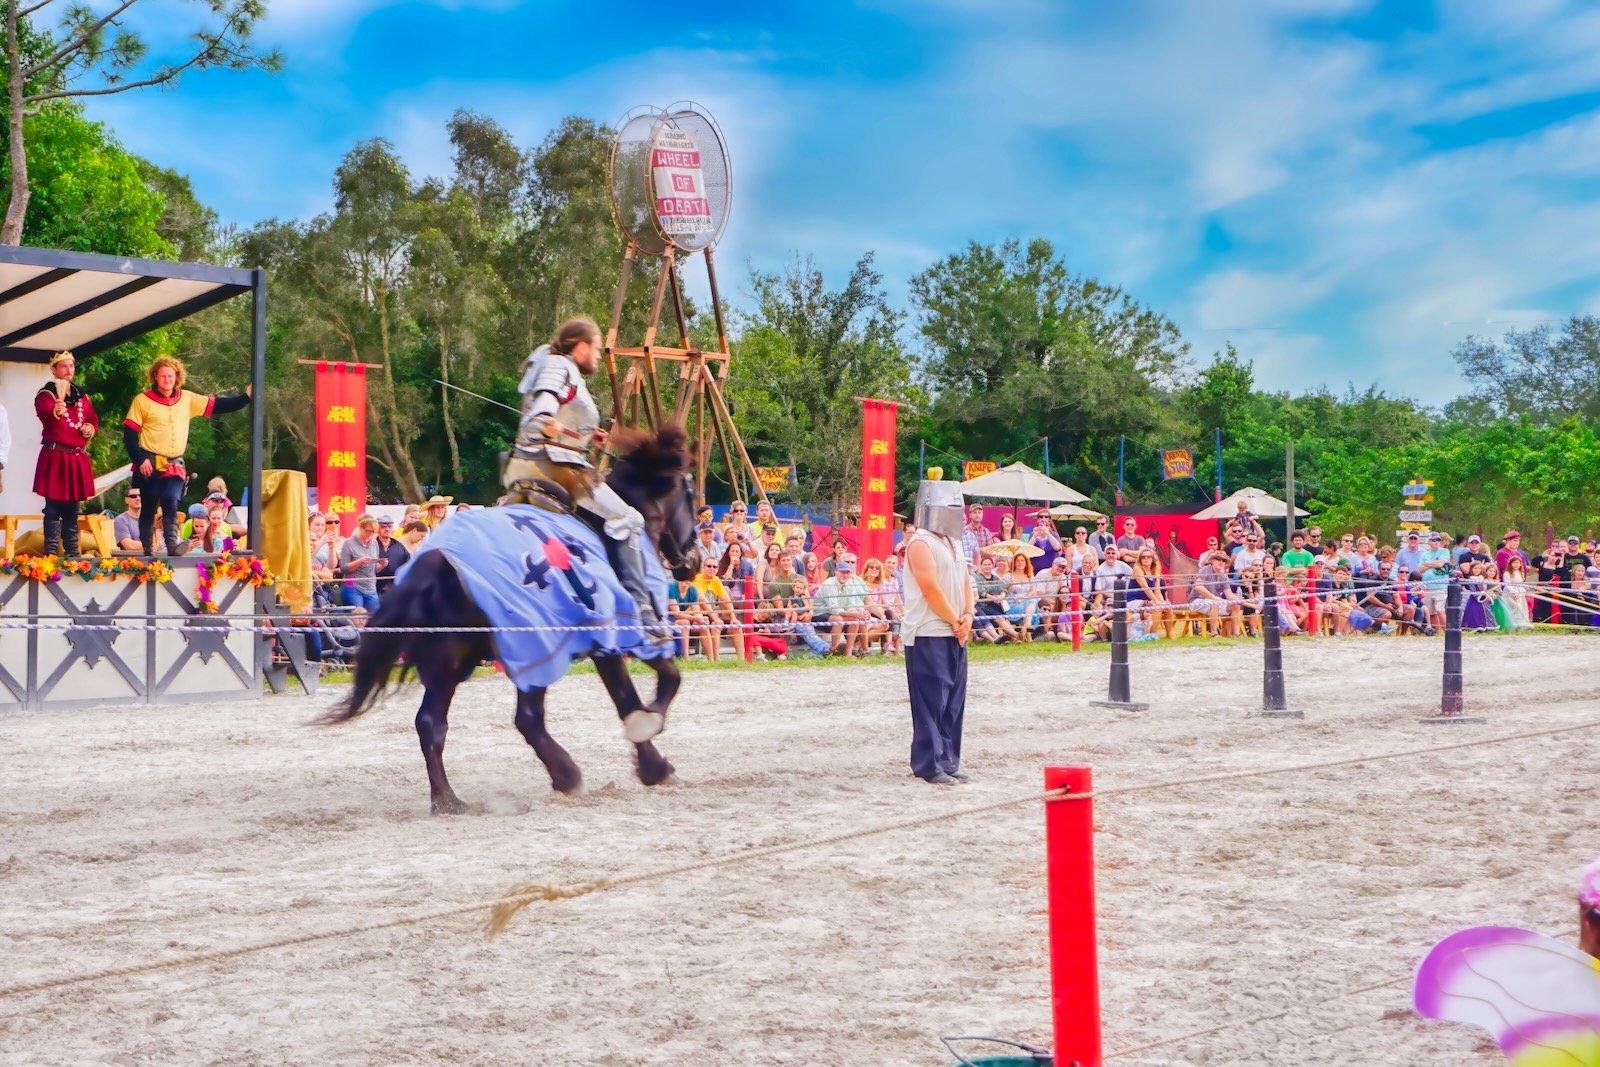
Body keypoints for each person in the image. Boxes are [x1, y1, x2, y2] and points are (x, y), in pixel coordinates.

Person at [499, 316, 665, 636]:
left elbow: (562, 417)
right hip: (551, 465)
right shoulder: (559, 367)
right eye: (597, 349)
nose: (599, 356)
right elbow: (538, 417)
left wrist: (586, 435)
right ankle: (640, 609)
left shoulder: (563, 368)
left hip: (548, 460)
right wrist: (547, 422)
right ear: (580, 347)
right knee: (629, 518)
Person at [122, 356, 250, 557]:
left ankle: (172, 545)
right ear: (155, 377)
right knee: (149, 506)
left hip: (174, 464)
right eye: (163, 376)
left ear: (177, 377)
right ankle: (147, 548)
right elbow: (129, 435)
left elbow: (217, 405)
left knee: (171, 501)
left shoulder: (187, 399)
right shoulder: (142, 400)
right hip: (150, 461)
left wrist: (245, 398)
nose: (167, 380)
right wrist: (140, 460)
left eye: (170, 376)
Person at [901, 477, 974, 785]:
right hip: (928, 630)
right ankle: (927, 763)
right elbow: (929, 587)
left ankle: (948, 758)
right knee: (931, 700)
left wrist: (968, 615)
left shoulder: (954, 543)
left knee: (953, 700)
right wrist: (954, 620)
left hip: (954, 630)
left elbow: (967, 581)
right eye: (952, 506)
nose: (958, 512)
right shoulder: (920, 542)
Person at [31, 351, 101, 556]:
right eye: (63, 366)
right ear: (54, 370)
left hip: (76, 458)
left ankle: (73, 553)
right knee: (52, 508)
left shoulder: (81, 395)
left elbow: (92, 418)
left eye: (71, 366)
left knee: (73, 509)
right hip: (56, 456)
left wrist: (89, 427)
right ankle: (51, 553)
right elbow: (45, 413)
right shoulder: (47, 394)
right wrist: (56, 411)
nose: (69, 370)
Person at [337, 514, 383, 612]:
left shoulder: (374, 543)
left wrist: (381, 565)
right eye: (367, 531)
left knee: (374, 616)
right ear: (360, 528)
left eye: (373, 532)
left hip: (370, 586)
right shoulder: (349, 543)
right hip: (351, 583)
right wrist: (359, 561)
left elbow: (374, 569)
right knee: (357, 615)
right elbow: (343, 568)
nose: (370, 534)